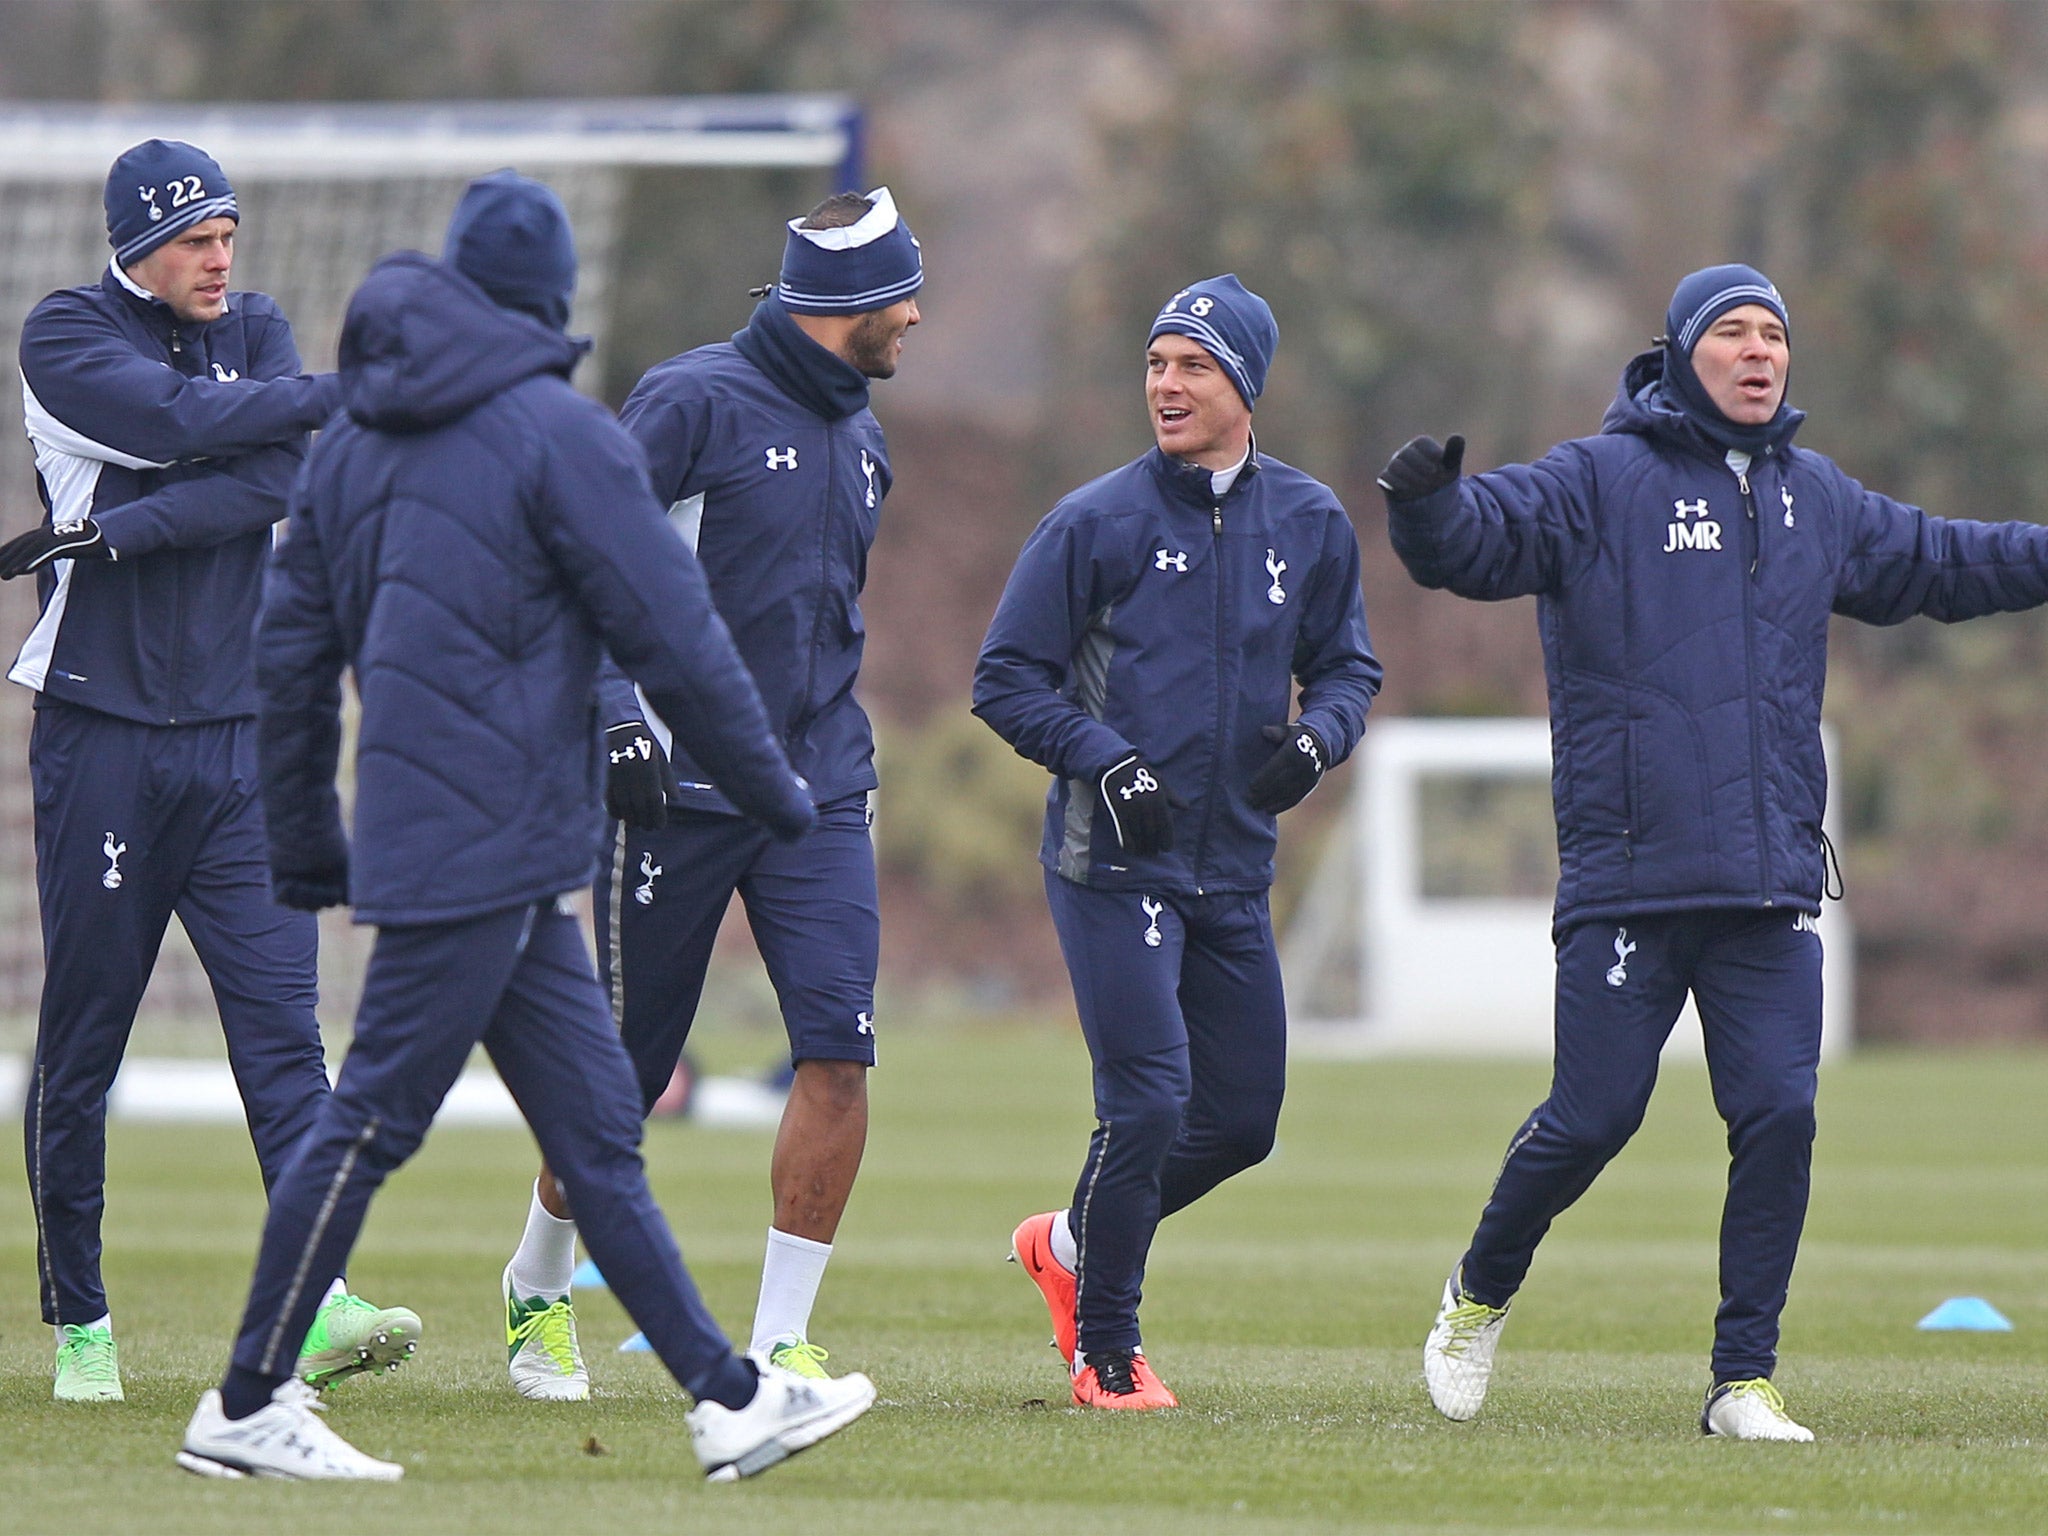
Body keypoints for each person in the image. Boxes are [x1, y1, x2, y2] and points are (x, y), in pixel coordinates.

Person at [175, 172, 873, 1482]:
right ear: (550, 295)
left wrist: (308, 842)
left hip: (460, 838)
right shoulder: (563, 434)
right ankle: (244, 1401)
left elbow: (287, 653)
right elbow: (676, 631)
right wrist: (785, 797)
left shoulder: (352, 443)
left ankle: (730, 1400)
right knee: (372, 1119)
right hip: (484, 847)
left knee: (603, 1132)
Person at [1379, 263, 2048, 1442]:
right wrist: (1425, 507)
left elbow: (1944, 562)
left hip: (1769, 881)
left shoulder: (1815, 499)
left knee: (1778, 1115)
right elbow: (1475, 548)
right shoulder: (1597, 480)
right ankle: (1473, 1298)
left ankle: (1739, 1382)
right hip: (1629, 877)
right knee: (1589, 1120)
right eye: (1731, 334)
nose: (1756, 353)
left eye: (1771, 336)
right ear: (1682, 353)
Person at [3, 138, 417, 1403]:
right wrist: (338, 393)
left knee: (288, 1041)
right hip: (104, 738)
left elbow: (273, 478)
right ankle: (82, 1321)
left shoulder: (261, 326)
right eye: (195, 238)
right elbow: (181, 424)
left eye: (228, 233)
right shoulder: (65, 336)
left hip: (243, 743)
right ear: (138, 245)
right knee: (84, 1047)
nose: (220, 257)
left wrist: (113, 531)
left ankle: (318, 1302)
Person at [497, 187, 920, 1401]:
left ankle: (782, 1337)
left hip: (818, 792)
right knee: (620, 1082)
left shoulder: (868, 434)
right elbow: (585, 561)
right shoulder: (690, 401)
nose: (916, 317)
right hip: (668, 791)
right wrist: (618, 713)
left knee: (836, 1054)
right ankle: (537, 1284)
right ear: (851, 304)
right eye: (904, 294)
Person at [974, 275, 1381, 1409]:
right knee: (1146, 1102)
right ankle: (1104, 1353)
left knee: (1240, 1123)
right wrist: (1103, 759)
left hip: (1232, 869)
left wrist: (1316, 743)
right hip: (1108, 866)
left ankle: (1063, 1245)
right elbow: (1004, 680)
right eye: (1155, 363)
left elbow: (1348, 668)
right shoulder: (1092, 521)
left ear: (1244, 385)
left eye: (1192, 365)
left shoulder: (1306, 521)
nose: (1165, 384)